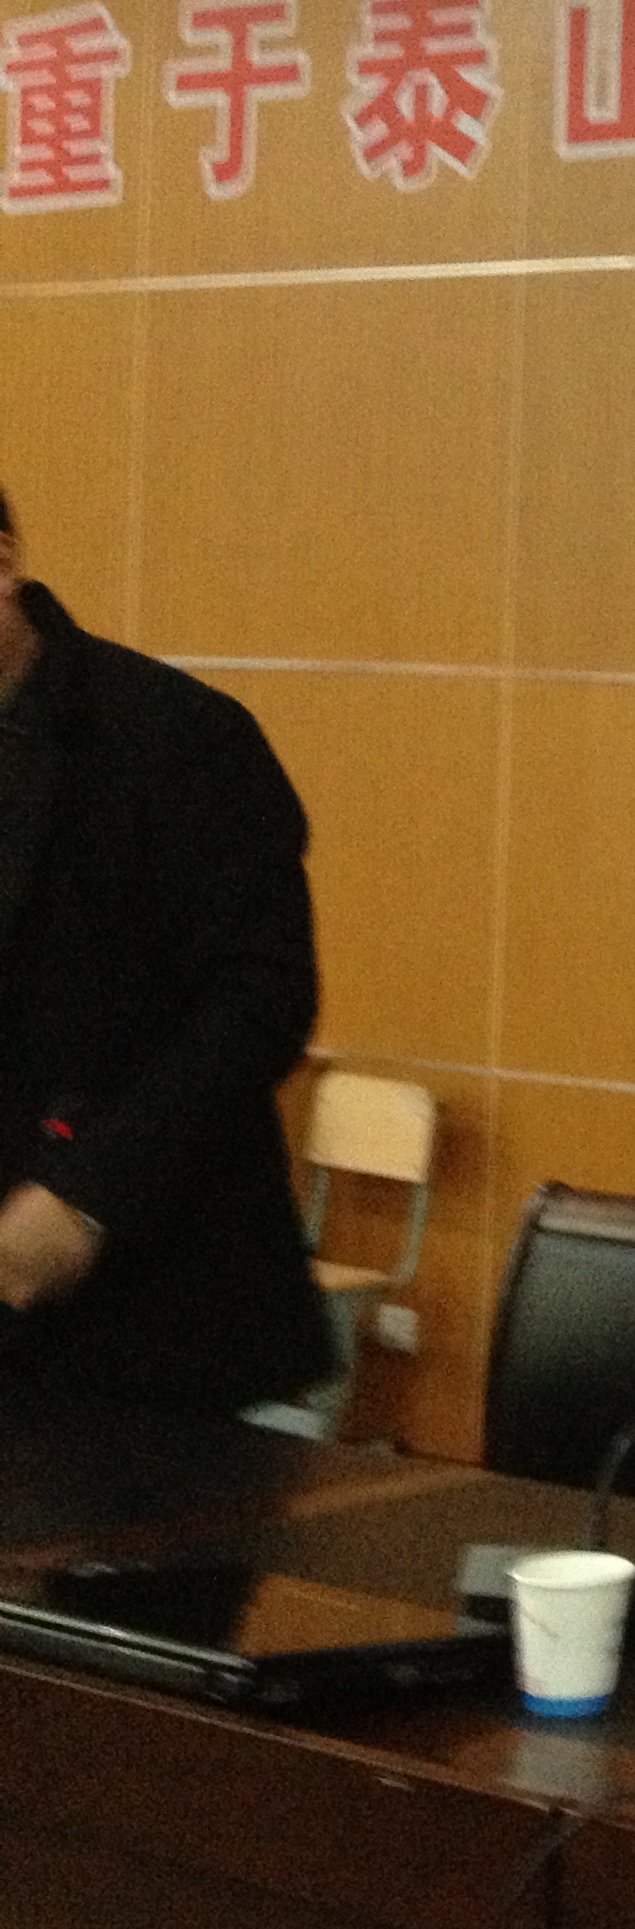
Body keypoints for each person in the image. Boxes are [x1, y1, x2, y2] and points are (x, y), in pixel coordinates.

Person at [0, 488, 332, 1415]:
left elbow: (260, 1001)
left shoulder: (175, 736)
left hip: (155, 1312)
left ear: (2, 562)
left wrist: (86, 1198)